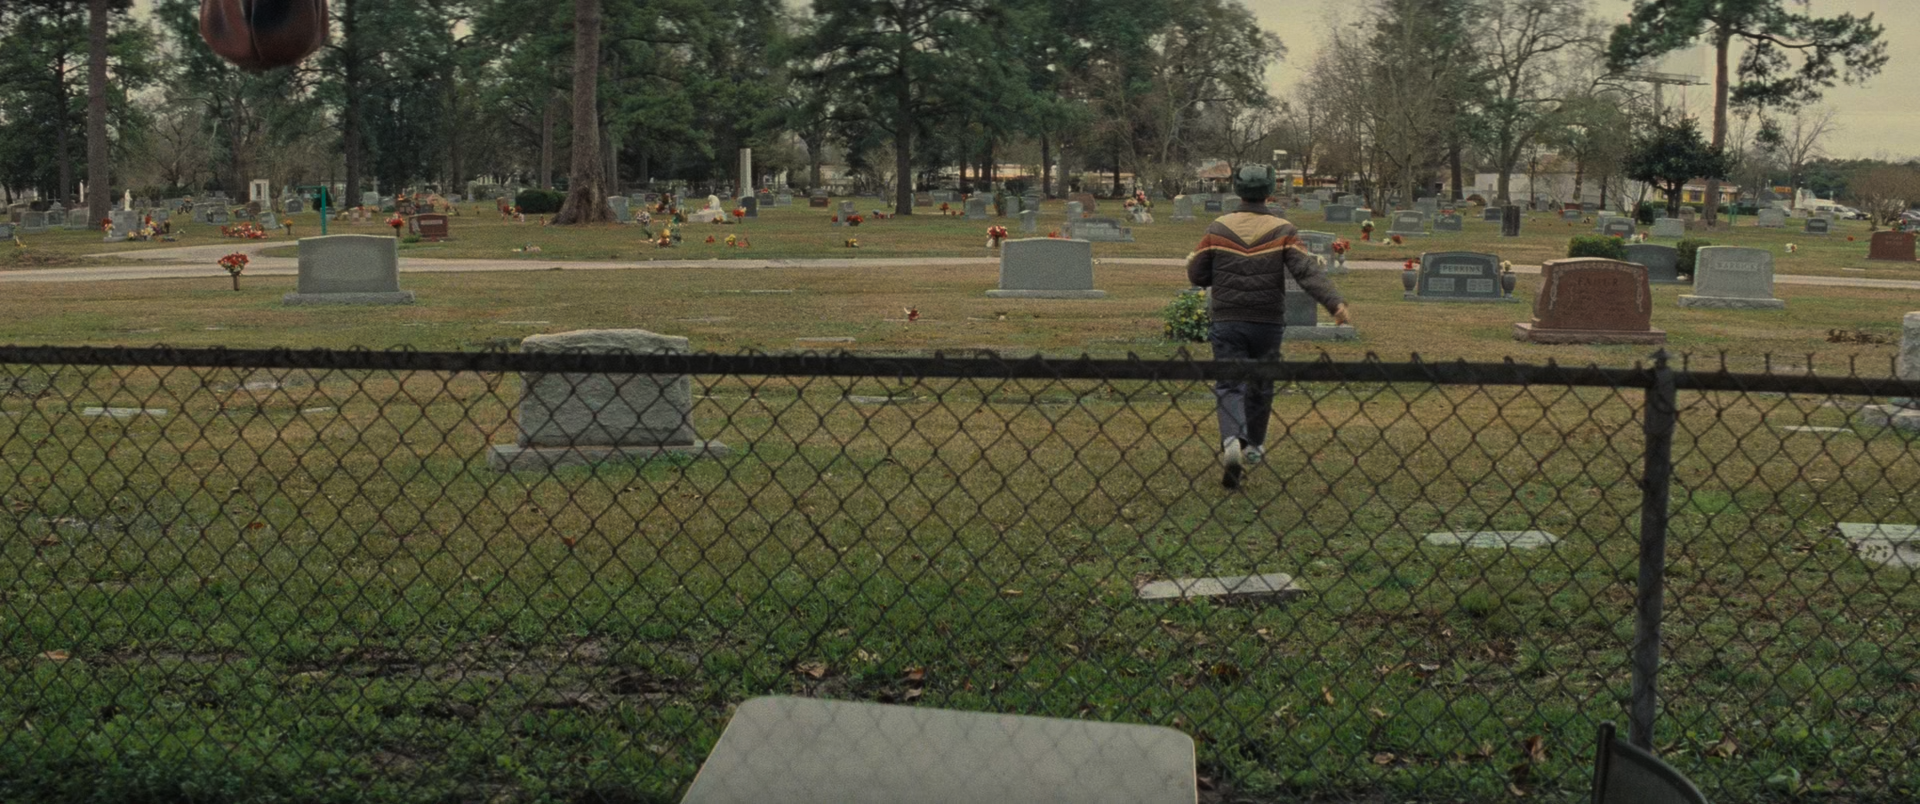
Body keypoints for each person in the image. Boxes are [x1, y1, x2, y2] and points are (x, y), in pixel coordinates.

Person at [1184, 164, 1351, 490]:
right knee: (1262, 381)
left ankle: (1232, 439)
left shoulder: (1218, 228)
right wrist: (1335, 304)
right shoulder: (1283, 229)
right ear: (1270, 191)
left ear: (1237, 190)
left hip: (1228, 319)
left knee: (1230, 383)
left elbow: (1198, 275)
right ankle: (1255, 445)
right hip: (1267, 321)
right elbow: (1306, 273)